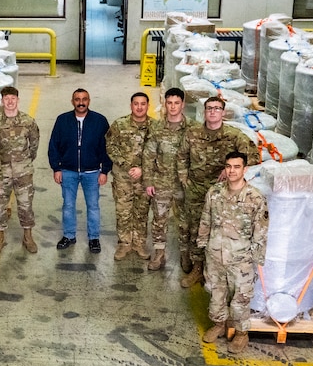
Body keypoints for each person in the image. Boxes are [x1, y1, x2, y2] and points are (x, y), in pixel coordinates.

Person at [179, 96, 260, 287]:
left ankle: (215, 271)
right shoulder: (192, 134)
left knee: (221, 232)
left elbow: (254, 156)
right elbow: (182, 156)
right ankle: (197, 268)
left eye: (217, 108)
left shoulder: (234, 136)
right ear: (204, 112)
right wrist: (184, 178)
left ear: (223, 112)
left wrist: (231, 170)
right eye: (209, 108)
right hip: (197, 190)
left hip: (224, 194)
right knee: (197, 229)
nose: (213, 112)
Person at [197, 151, 268, 355]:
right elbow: (205, 219)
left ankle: (241, 333)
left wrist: (253, 259)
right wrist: (202, 243)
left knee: (240, 299)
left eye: (237, 167)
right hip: (215, 255)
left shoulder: (255, 198)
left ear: (245, 169)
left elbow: (261, 232)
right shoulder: (215, 192)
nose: (232, 171)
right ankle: (219, 324)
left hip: (241, 259)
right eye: (228, 166)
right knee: (216, 293)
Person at [49, 88, 112, 253]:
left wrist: (104, 170)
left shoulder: (100, 121)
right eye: (77, 99)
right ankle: (69, 235)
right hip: (68, 171)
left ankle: (94, 238)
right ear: (72, 101)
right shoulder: (62, 120)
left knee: (93, 206)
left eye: (84, 99)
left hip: (92, 172)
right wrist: (57, 168)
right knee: (68, 205)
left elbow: (108, 148)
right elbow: (53, 146)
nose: (81, 102)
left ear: (89, 101)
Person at [0, 86, 40, 254]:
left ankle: (28, 236)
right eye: (6, 99)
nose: (10, 102)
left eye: (13, 98)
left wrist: (23, 162)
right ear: (2, 101)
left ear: (18, 100)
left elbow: (34, 145)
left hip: (23, 171)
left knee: (26, 205)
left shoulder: (28, 121)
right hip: (2, 172)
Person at [143, 88, 189, 270]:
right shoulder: (156, 128)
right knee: (159, 220)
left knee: (185, 222)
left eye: (176, 103)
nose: (173, 107)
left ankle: (185, 255)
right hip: (161, 182)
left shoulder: (192, 129)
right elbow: (148, 156)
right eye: (169, 103)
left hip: (183, 184)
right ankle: (159, 254)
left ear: (183, 105)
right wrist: (148, 182)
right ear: (164, 104)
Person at [105, 91, 151, 261]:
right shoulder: (119, 125)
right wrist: (127, 166)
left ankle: (139, 243)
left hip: (144, 178)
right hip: (123, 177)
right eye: (136, 103)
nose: (139, 107)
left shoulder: (155, 127)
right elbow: (110, 146)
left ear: (147, 105)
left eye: (143, 104)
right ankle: (124, 244)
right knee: (123, 211)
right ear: (131, 105)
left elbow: (158, 152)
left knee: (141, 212)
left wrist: (142, 169)